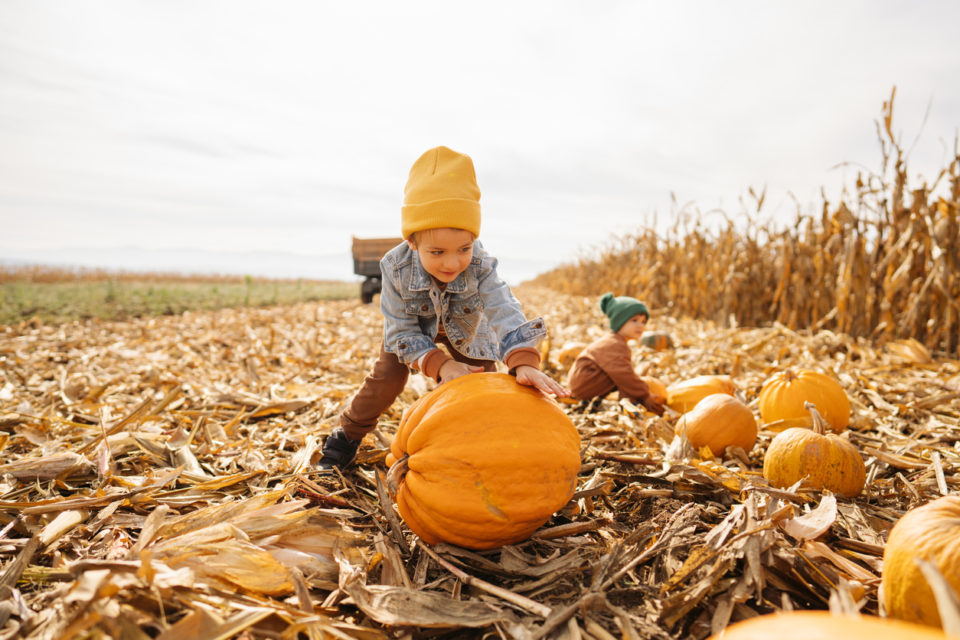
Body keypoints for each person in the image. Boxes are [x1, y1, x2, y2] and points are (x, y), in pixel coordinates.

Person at [318, 146, 569, 470]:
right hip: (411, 333)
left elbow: (502, 306)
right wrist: (440, 365)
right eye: (437, 252)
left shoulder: (480, 263)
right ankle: (347, 435)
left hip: (468, 331)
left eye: (464, 248)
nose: (452, 262)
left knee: (483, 392)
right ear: (412, 242)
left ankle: (480, 449)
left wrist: (522, 360)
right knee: (384, 382)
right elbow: (402, 329)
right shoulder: (394, 267)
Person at [566, 293, 665, 415]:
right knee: (626, 377)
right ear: (619, 321)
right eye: (634, 320)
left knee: (625, 378)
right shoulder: (614, 344)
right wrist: (645, 395)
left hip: (588, 385)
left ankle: (629, 404)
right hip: (585, 387)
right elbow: (624, 375)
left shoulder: (617, 342)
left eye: (643, 321)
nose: (640, 325)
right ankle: (632, 405)